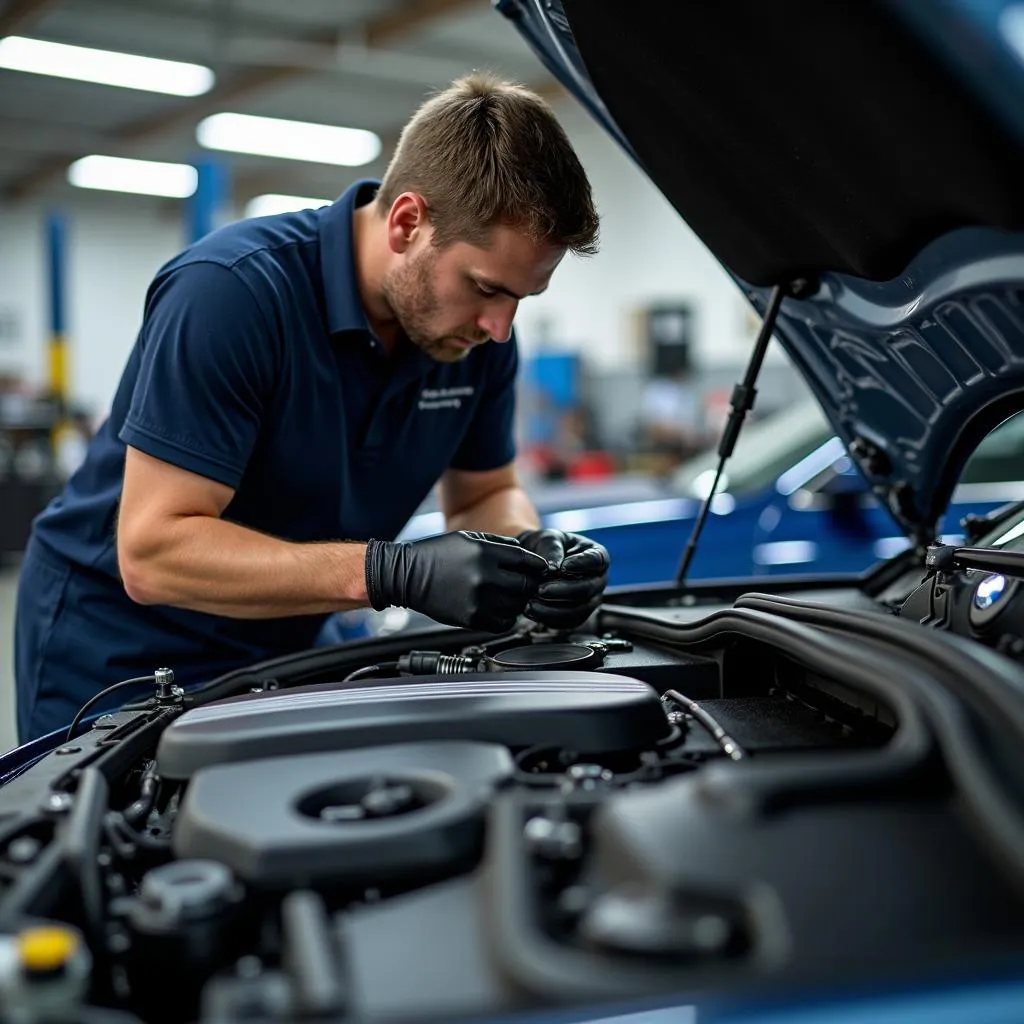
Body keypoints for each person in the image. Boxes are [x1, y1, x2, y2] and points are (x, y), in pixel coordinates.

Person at [13, 74, 610, 742]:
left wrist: (527, 552)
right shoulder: (232, 294)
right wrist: (392, 572)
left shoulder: (475, 338)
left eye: (520, 300)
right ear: (408, 222)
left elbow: (486, 493)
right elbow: (153, 553)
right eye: (485, 288)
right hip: (120, 649)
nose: (500, 327)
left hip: (292, 634)